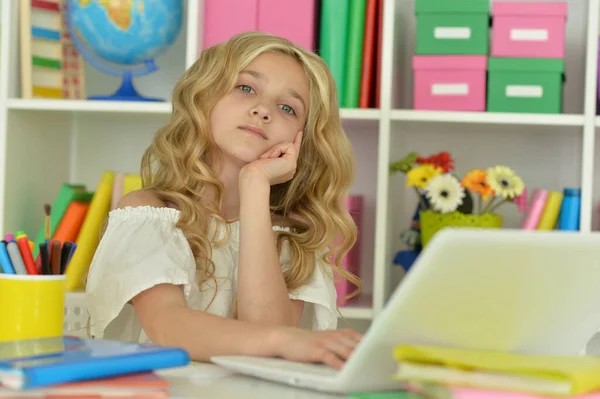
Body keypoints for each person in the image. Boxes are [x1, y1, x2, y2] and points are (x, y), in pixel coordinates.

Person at [85, 31, 362, 370]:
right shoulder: (150, 213)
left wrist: (255, 186)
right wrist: (288, 341)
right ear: (204, 97)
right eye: (246, 88)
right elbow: (168, 325)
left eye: (288, 108)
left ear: (301, 141)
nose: (263, 110)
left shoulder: (295, 240)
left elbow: (266, 339)